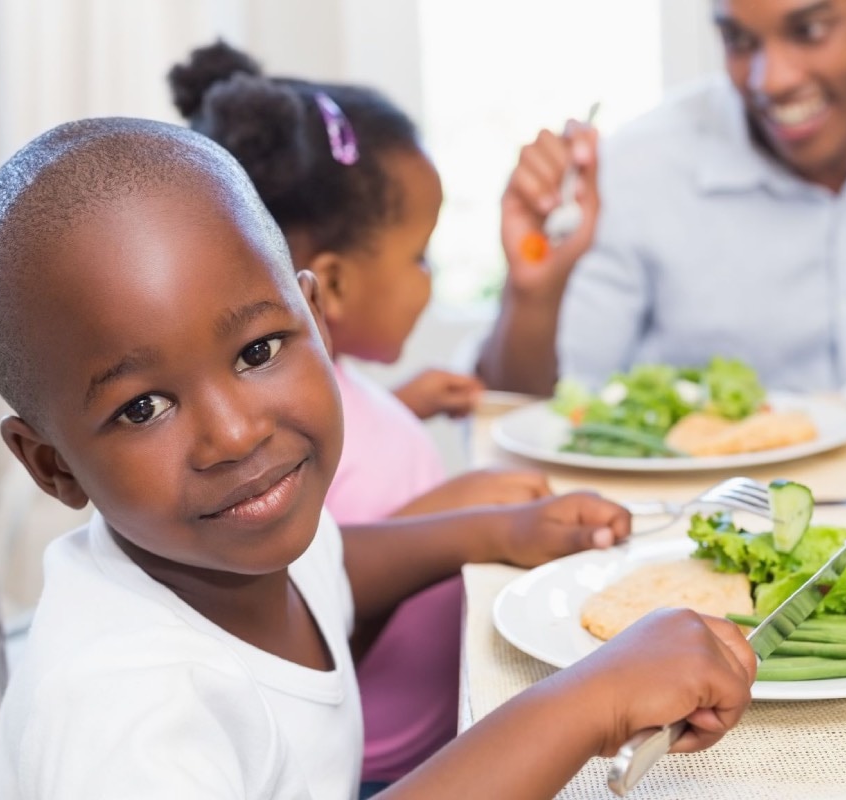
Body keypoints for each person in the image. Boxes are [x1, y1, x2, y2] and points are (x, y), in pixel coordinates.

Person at [0, 117, 756, 799]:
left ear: (317, 321)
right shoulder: (125, 719)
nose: (234, 436)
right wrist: (588, 701)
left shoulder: (232, 550)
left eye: (259, 349)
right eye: (143, 408)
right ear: (52, 467)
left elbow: (343, 565)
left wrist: (496, 531)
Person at [165, 41, 577, 794]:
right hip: (384, 771)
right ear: (337, 288)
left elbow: (351, 451)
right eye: (419, 257)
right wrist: (452, 514)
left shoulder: (328, 389)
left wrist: (401, 406)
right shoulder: (265, 445)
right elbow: (299, 595)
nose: (429, 279)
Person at [477, 0, 846, 396]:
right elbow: (528, 413)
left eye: (810, 30)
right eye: (739, 41)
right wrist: (532, 297)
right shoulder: (636, 169)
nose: (772, 79)